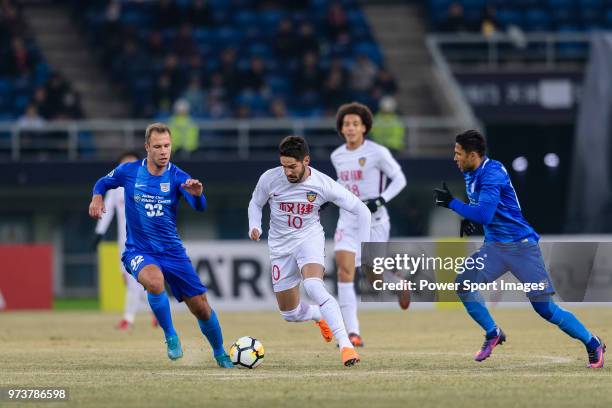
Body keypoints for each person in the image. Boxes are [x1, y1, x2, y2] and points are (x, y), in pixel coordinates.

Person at [433, 129, 605, 368]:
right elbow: (485, 210)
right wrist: (468, 219)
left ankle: (592, 342)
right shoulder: (471, 172)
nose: (455, 158)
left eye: (458, 153)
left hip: (521, 248)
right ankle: (493, 332)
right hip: (494, 248)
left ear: (473, 155)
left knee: (545, 309)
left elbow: (484, 213)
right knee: (463, 284)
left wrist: (452, 203)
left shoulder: (492, 173)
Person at [88, 123, 233, 368]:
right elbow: (103, 182)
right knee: (154, 282)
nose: (164, 151)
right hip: (138, 250)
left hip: (173, 252)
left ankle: (220, 353)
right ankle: (170, 336)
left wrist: (198, 195)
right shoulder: (129, 171)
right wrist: (96, 196)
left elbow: (199, 208)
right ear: (147, 148)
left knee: (201, 307)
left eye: (167, 146)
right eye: (158, 146)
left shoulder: (178, 176)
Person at [248, 135, 371, 367]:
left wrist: (366, 253)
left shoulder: (323, 184)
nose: (287, 172)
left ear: (306, 160)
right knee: (289, 313)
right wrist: (255, 225)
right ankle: (317, 314)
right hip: (279, 246)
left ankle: (346, 345)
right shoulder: (270, 178)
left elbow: (362, 211)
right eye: (284, 166)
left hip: (309, 239)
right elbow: (255, 203)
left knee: (313, 285)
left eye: (292, 166)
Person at [331, 102, 408, 347]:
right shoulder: (337, 155)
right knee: (344, 271)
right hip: (348, 220)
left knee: (373, 278)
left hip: (375, 221)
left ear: (364, 127)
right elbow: (341, 182)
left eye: (355, 124)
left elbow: (400, 179)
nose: (351, 128)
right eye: (346, 124)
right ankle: (352, 333)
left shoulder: (378, 152)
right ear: (341, 129)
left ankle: (399, 284)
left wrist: (381, 199)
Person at [93, 151, 158, 330]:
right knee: (132, 282)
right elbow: (107, 211)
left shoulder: (148, 185)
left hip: (142, 242)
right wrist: (99, 233)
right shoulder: (115, 188)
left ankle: (128, 319)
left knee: (133, 282)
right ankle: (159, 309)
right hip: (124, 242)